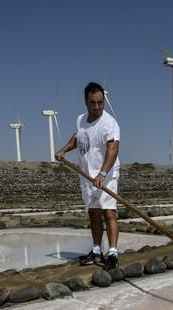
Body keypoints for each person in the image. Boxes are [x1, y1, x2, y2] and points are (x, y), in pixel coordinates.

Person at [55, 82, 121, 271]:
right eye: (93, 103)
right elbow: (78, 138)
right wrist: (63, 150)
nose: (97, 106)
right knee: (93, 213)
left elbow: (113, 148)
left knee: (109, 212)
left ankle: (113, 253)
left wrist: (103, 173)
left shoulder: (109, 123)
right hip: (87, 175)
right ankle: (96, 250)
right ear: (86, 102)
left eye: (100, 102)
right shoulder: (81, 120)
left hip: (106, 174)